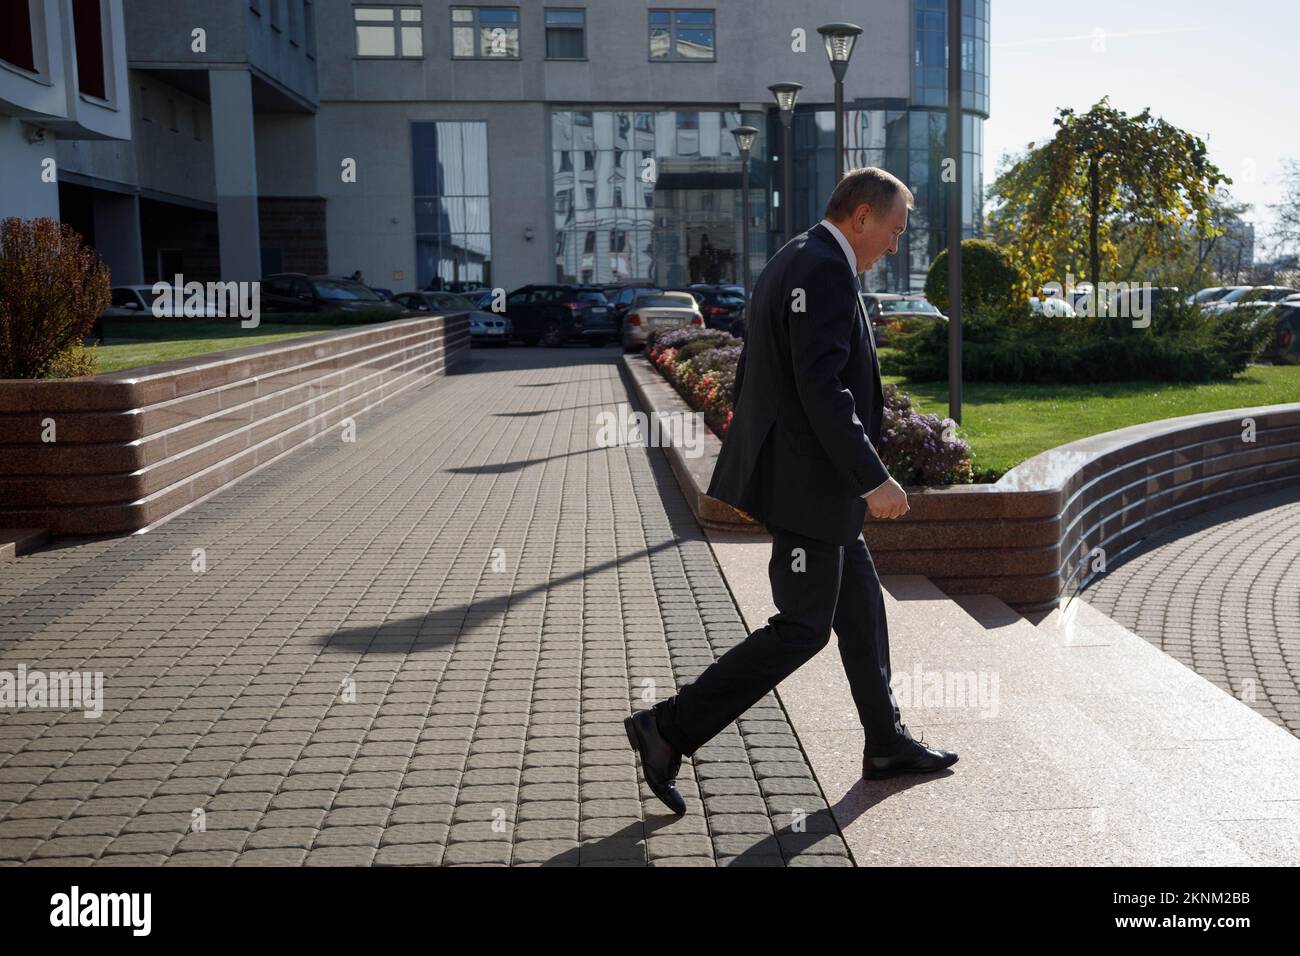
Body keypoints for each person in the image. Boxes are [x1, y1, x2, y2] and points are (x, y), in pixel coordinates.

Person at [625, 167, 958, 815]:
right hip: (810, 484)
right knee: (803, 627)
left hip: (809, 482)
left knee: (859, 608)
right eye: (892, 231)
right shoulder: (822, 269)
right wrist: (872, 477)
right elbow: (821, 386)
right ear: (861, 217)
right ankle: (668, 728)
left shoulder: (801, 256)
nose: (894, 246)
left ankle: (885, 741)